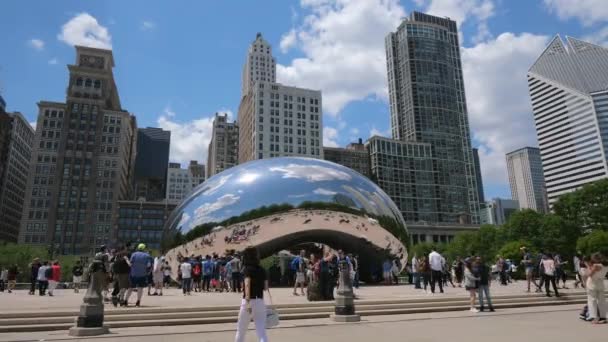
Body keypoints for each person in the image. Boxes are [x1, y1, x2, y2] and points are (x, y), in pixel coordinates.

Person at [234, 246, 269, 342]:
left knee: (241, 331)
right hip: (260, 301)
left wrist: (248, 302)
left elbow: (247, 286)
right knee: (261, 332)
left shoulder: (247, 269)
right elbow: (266, 287)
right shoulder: (262, 269)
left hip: (248, 302)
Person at [584, 253, 607, 324]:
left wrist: (587, 266)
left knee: (592, 301)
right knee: (602, 301)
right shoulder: (606, 266)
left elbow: (589, 274)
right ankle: (603, 316)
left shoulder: (596, 265)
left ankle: (594, 317)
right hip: (600, 283)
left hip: (592, 284)